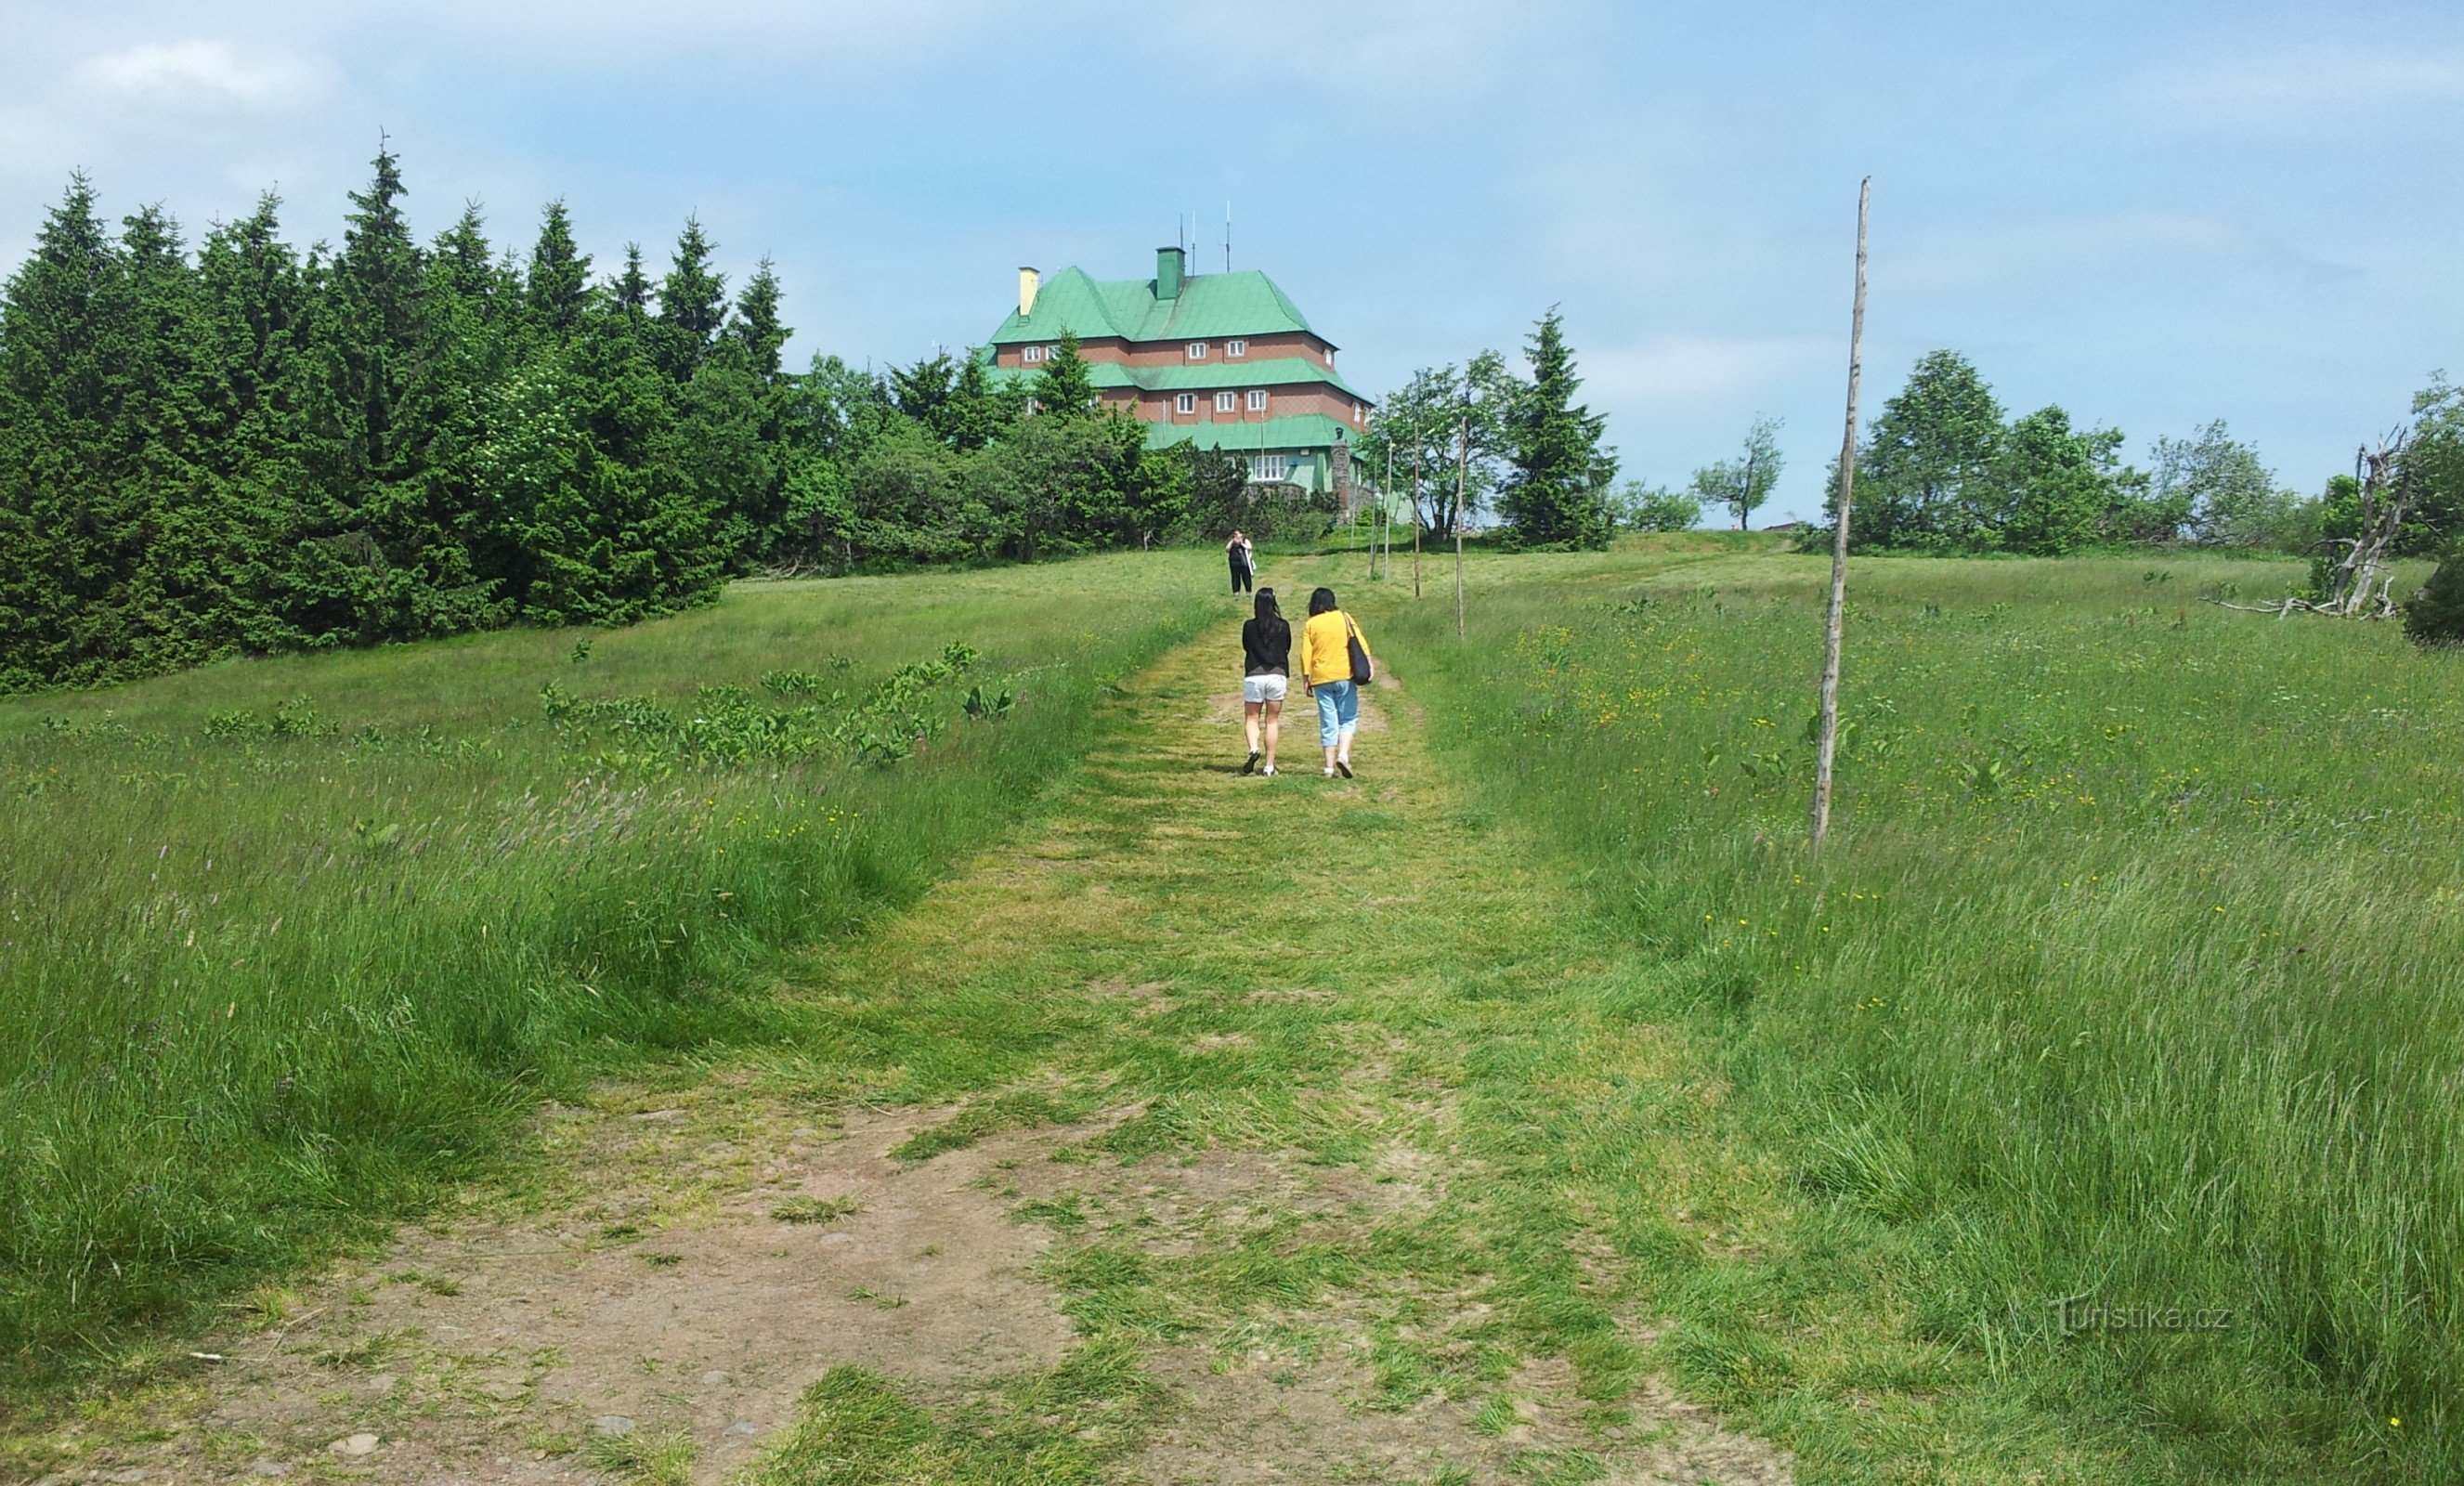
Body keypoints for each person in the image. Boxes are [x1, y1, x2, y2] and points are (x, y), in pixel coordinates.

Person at [1297, 586, 1371, 778]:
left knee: (1328, 721)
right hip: (1344, 674)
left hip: (1321, 678)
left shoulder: (1311, 624)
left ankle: (1329, 768)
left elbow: (1306, 653)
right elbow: (1360, 642)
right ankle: (1343, 755)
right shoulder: (1343, 617)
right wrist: (1369, 665)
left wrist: (1306, 677)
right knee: (1347, 718)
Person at [1238, 588, 1289, 776]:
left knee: (1252, 718)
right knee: (1272, 721)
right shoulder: (1282, 626)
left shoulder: (1249, 626)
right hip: (1277, 675)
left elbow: (1246, 646)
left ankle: (1253, 748)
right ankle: (1269, 765)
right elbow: (1287, 647)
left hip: (1254, 675)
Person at [1226, 529, 1255, 593]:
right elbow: (1227, 549)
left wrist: (1241, 544)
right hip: (1234, 562)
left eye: (1237, 534)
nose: (1235, 535)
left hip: (1244, 562)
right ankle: (1236, 592)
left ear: (1241, 534)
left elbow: (1249, 548)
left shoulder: (1245, 541)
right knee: (1235, 577)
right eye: (1234, 534)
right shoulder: (1232, 542)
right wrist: (1232, 542)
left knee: (1246, 577)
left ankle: (1248, 591)